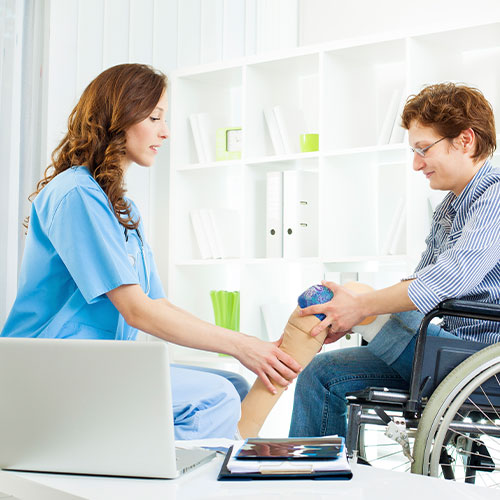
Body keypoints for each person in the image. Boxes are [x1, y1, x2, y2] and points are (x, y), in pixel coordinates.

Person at [0, 63, 301, 440]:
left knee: (234, 387)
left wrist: (249, 347)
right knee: (216, 399)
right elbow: (137, 310)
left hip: (97, 367)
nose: (165, 131)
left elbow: (156, 303)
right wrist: (243, 347)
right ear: (119, 117)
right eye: (155, 116)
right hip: (49, 371)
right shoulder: (75, 193)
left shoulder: (123, 210)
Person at [289, 82, 500, 438]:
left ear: (465, 140)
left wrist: (360, 308)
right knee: (320, 374)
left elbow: (448, 280)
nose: (417, 164)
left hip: (476, 358)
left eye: (423, 149)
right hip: (440, 345)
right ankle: (310, 485)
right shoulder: (451, 206)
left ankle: (356, 311)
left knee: (360, 294)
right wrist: (354, 310)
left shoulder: (494, 196)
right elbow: (421, 281)